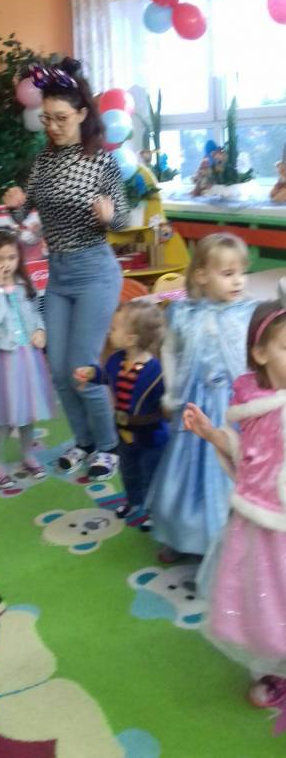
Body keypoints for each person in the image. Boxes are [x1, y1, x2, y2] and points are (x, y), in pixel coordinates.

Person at [3, 58, 129, 481]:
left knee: (81, 367)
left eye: (60, 118)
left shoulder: (101, 162)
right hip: (58, 275)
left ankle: (109, 447)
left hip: (95, 273)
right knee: (58, 370)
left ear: (81, 114)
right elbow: (24, 216)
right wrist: (16, 204)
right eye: (46, 118)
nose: (53, 126)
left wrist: (109, 216)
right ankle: (84, 441)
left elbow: (122, 220)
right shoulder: (44, 162)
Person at [184, 293, 286, 710]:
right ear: (261, 354)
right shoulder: (255, 407)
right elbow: (250, 461)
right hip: (259, 526)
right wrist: (213, 435)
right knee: (260, 600)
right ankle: (271, 669)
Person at [146, 233, 256, 562]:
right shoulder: (183, 313)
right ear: (202, 275)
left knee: (227, 468)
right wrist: (171, 393)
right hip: (194, 403)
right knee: (184, 469)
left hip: (232, 407)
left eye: (242, 272)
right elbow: (169, 349)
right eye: (228, 274)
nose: (238, 281)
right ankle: (178, 533)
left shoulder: (249, 312)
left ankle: (225, 541)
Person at [74, 300, 168, 527]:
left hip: (151, 436)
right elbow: (106, 377)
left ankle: (152, 512)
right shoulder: (116, 360)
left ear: (131, 339)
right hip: (124, 433)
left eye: (114, 328)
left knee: (151, 475)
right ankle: (133, 501)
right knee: (128, 471)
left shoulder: (156, 371)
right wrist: (91, 373)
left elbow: (168, 401)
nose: (109, 331)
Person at [0, 227, 54, 489]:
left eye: (11, 258)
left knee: (28, 410)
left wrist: (40, 330)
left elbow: (35, 313)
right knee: (2, 413)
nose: (5, 264)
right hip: (2, 361)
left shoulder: (22, 284)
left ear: (19, 257)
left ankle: (27, 454)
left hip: (27, 358)